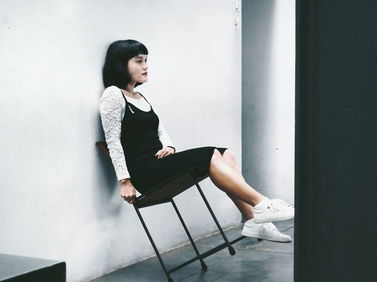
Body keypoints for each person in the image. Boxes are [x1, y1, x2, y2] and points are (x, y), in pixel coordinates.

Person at [99, 39, 294, 243]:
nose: (145, 66)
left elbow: (161, 131)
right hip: (144, 173)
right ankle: (262, 204)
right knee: (209, 154)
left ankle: (255, 221)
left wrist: (169, 146)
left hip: (159, 164)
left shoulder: (140, 96)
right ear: (121, 64)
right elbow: (113, 142)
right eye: (139, 61)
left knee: (225, 153)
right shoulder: (113, 95)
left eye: (146, 60)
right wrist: (125, 181)